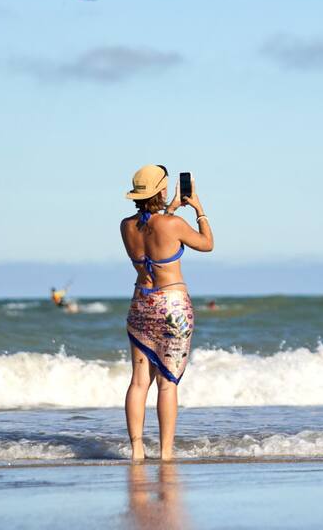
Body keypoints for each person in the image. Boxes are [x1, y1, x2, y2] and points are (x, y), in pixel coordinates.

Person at [120, 164, 213, 461]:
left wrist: (170, 208)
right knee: (166, 382)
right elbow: (207, 244)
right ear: (162, 190)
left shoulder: (126, 226)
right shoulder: (173, 225)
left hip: (141, 303)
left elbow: (153, 228)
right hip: (172, 306)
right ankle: (166, 452)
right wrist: (198, 209)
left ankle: (136, 450)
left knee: (138, 381)